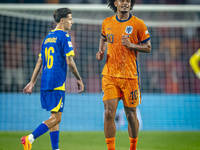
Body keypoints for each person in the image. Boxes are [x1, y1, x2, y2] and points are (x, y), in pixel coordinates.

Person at [20, 7, 84, 150]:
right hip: (57, 81)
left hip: (45, 81)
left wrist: (32, 82)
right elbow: (70, 62)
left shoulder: (47, 38)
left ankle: (56, 149)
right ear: (62, 20)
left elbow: (39, 61)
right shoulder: (64, 36)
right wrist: (79, 79)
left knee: (54, 118)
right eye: (70, 19)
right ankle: (29, 138)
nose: (72, 22)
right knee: (57, 118)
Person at [96, 0, 151, 150]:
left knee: (131, 115)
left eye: (128, 0)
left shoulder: (138, 24)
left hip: (130, 76)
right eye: (122, 0)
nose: (125, 3)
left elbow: (148, 47)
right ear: (116, 3)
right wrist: (101, 51)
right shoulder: (107, 22)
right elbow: (103, 37)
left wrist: (132, 45)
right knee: (108, 113)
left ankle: (133, 148)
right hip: (110, 75)